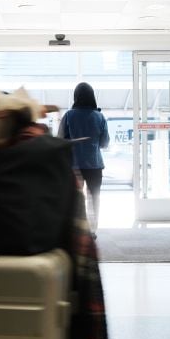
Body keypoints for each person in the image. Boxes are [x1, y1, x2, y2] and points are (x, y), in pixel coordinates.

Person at [58, 82, 110, 234]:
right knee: (94, 198)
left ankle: (76, 231)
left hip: (74, 166)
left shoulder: (69, 116)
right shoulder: (100, 117)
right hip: (95, 165)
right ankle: (93, 231)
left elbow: (60, 139)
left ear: (76, 97)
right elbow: (105, 143)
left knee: (75, 199)